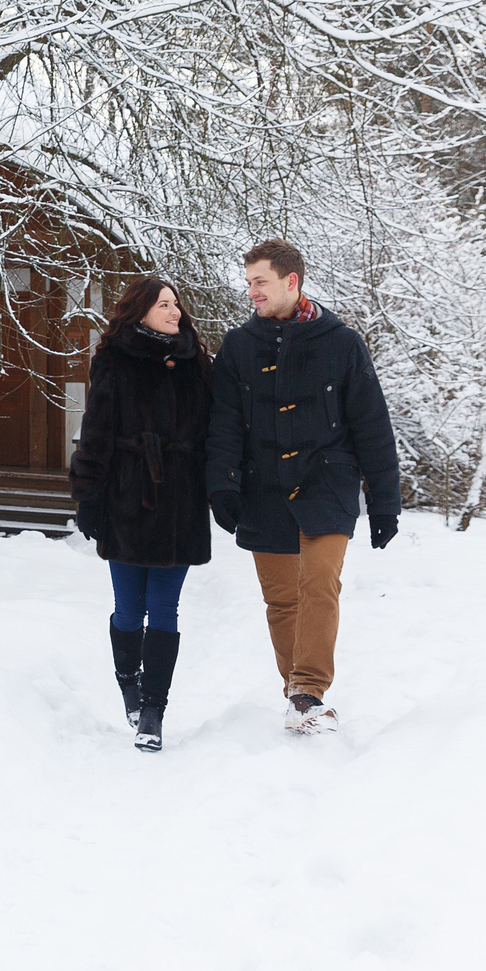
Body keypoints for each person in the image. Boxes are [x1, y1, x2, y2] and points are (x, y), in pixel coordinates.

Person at [203, 239, 399, 734]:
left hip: (326, 485)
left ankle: (309, 691)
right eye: (248, 282)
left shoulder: (342, 344)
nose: (252, 292)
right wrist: (222, 485)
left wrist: (384, 502)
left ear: (292, 282)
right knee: (281, 600)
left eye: (260, 282)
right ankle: (296, 696)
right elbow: (223, 422)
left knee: (319, 585)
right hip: (261, 488)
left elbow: (372, 425)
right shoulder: (239, 346)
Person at [69, 276, 212, 753]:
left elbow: (216, 435)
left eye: (176, 304)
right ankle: (128, 680)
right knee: (130, 611)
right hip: (127, 500)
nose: (174, 312)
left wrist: (223, 489)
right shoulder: (114, 359)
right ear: (141, 311)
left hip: (180, 503)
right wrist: (89, 496)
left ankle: (153, 710)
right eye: (164, 305)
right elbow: (96, 431)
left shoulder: (197, 362)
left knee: (165, 609)